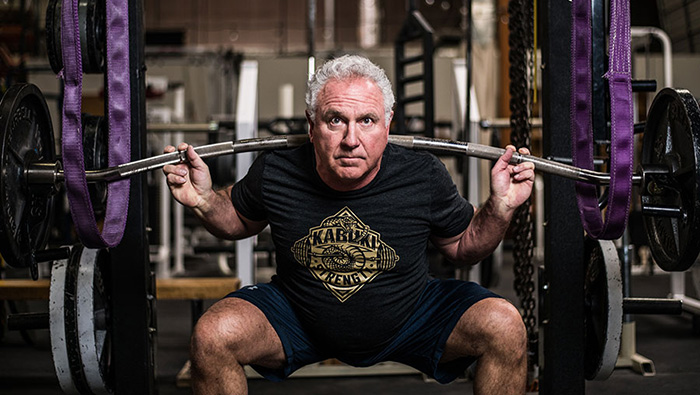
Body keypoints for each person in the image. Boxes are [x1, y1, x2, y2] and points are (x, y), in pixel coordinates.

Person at [163, 54, 534, 395]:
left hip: (411, 315)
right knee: (212, 336)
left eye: (367, 121)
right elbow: (238, 219)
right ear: (312, 125)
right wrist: (206, 200)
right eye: (335, 120)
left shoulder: (422, 174)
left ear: (388, 124)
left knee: (503, 325)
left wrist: (500, 207)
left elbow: (464, 246)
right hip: (298, 315)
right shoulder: (277, 170)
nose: (351, 140)